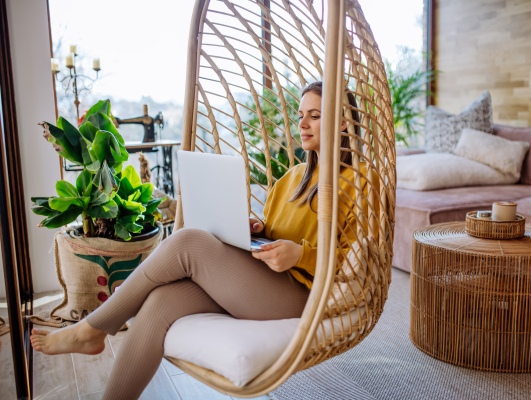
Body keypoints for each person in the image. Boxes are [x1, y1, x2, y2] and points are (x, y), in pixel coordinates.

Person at [31, 81, 377, 400]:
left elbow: (362, 260)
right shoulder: (292, 177)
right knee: (161, 301)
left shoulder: (363, 182)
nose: (302, 123)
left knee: (188, 242)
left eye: (315, 116)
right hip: (266, 280)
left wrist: (301, 255)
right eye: (301, 115)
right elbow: (276, 231)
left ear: (344, 123)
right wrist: (254, 230)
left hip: (302, 293)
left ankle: (93, 328)